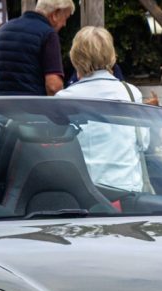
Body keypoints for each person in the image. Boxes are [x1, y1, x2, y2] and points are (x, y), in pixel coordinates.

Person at [56, 26, 146, 193]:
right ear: (111, 56)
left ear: (75, 57)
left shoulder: (64, 99)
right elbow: (143, 143)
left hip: (84, 193)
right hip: (128, 190)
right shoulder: (132, 94)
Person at [0, 0, 73, 96]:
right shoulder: (48, 34)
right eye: (65, 18)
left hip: (3, 109)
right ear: (55, 14)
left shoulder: (1, 30)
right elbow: (53, 86)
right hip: (34, 108)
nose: (65, 24)